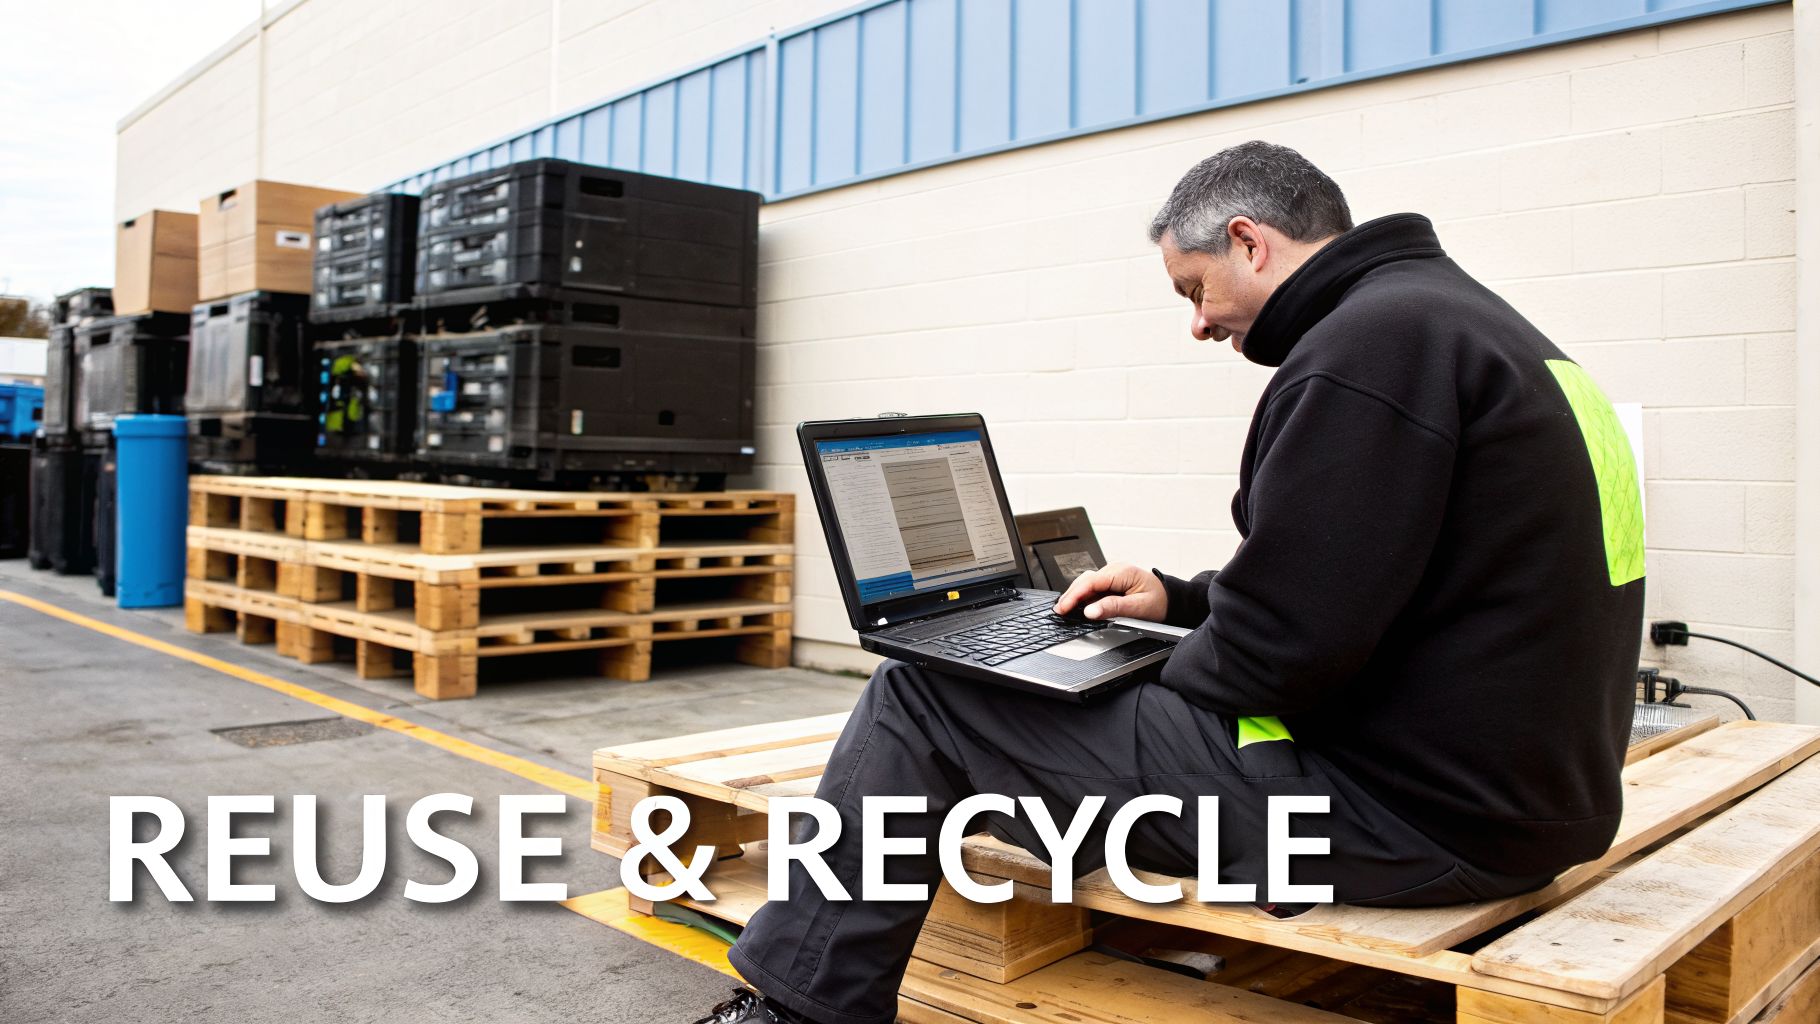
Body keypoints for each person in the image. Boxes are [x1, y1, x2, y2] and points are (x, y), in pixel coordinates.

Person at [691, 141, 1645, 1024]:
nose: (1198, 323)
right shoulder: (1479, 330)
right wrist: (1178, 602)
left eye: (1195, 287)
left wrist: (1097, 672)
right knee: (1029, 685)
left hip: (1406, 819)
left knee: (924, 693)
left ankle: (798, 1011)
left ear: (1249, 242)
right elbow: (1378, 582)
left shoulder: (1367, 353)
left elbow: (1274, 663)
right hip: (1524, 801)